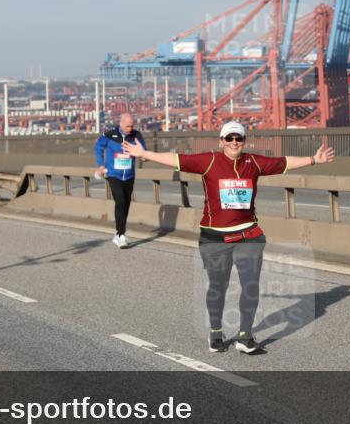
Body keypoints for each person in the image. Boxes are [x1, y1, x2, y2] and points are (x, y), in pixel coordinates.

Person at [123, 121, 334, 354]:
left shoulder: (253, 162)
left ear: (244, 141)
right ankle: (215, 332)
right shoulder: (209, 161)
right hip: (215, 238)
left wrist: (313, 159)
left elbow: (283, 163)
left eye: (239, 139)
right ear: (221, 141)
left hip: (248, 234)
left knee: (250, 284)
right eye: (230, 138)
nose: (235, 142)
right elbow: (176, 159)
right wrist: (143, 154)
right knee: (218, 286)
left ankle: (245, 336)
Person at [95, 113, 145, 248]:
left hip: (129, 175)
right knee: (120, 201)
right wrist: (100, 164)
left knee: (126, 203)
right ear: (121, 123)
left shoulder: (136, 135)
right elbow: (98, 147)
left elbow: (143, 150)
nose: (130, 128)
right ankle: (121, 234)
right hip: (113, 174)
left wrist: (143, 155)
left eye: (132, 125)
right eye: (127, 126)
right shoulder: (110, 135)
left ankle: (118, 235)